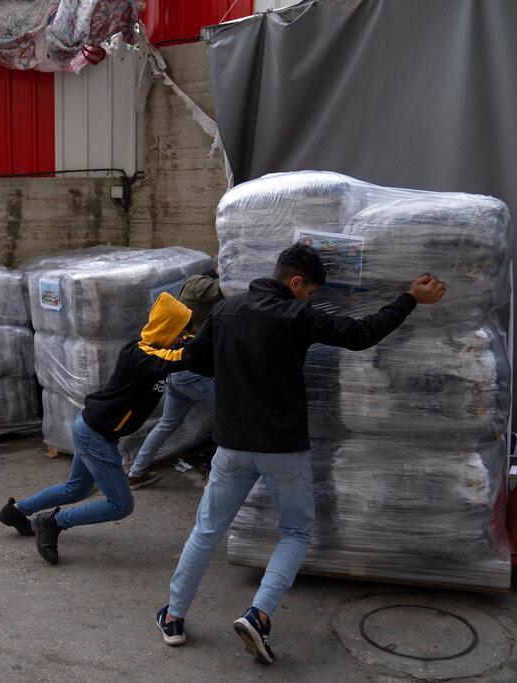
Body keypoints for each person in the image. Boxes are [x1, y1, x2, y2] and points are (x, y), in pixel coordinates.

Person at [155, 243, 446, 662]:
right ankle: (259, 615)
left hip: (232, 445)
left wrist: (235, 364)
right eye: (309, 290)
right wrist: (409, 299)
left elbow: (198, 363)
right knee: (295, 532)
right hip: (283, 449)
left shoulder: (225, 310)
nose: (310, 297)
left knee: (206, 531)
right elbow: (362, 335)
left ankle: (174, 617)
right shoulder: (298, 315)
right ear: (295, 282)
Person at [0, 292, 206, 565]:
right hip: (96, 435)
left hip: (91, 428)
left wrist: (195, 340)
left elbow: (183, 351)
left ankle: (16, 511)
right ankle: (54, 522)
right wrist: (209, 340)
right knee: (120, 505)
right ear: (167, 330)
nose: (183, 337)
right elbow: (179, 358)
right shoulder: (140, 354)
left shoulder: (155, 352)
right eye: (180, 331)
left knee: (75, 489)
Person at [127, 269, 225, 490]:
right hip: (191, 373)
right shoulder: (197, 285)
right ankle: (217, 477)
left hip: (180, 373)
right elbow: (226, 288)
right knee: (230, 416)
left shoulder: (195, 286)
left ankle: (136, 472)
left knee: (165, 424)